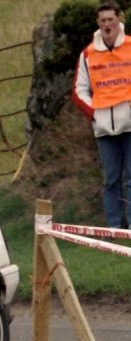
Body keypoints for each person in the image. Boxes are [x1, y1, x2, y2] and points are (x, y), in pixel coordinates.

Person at [73, 1, 131, 229]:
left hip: (130, 125)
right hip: (104, 129)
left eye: (111, 20)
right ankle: (114, 229)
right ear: (98, 23)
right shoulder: (88, 54)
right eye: (103, 20)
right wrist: (95, 114)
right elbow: (79, 91)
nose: (107, 25)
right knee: (110, 181)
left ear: (119, 20)